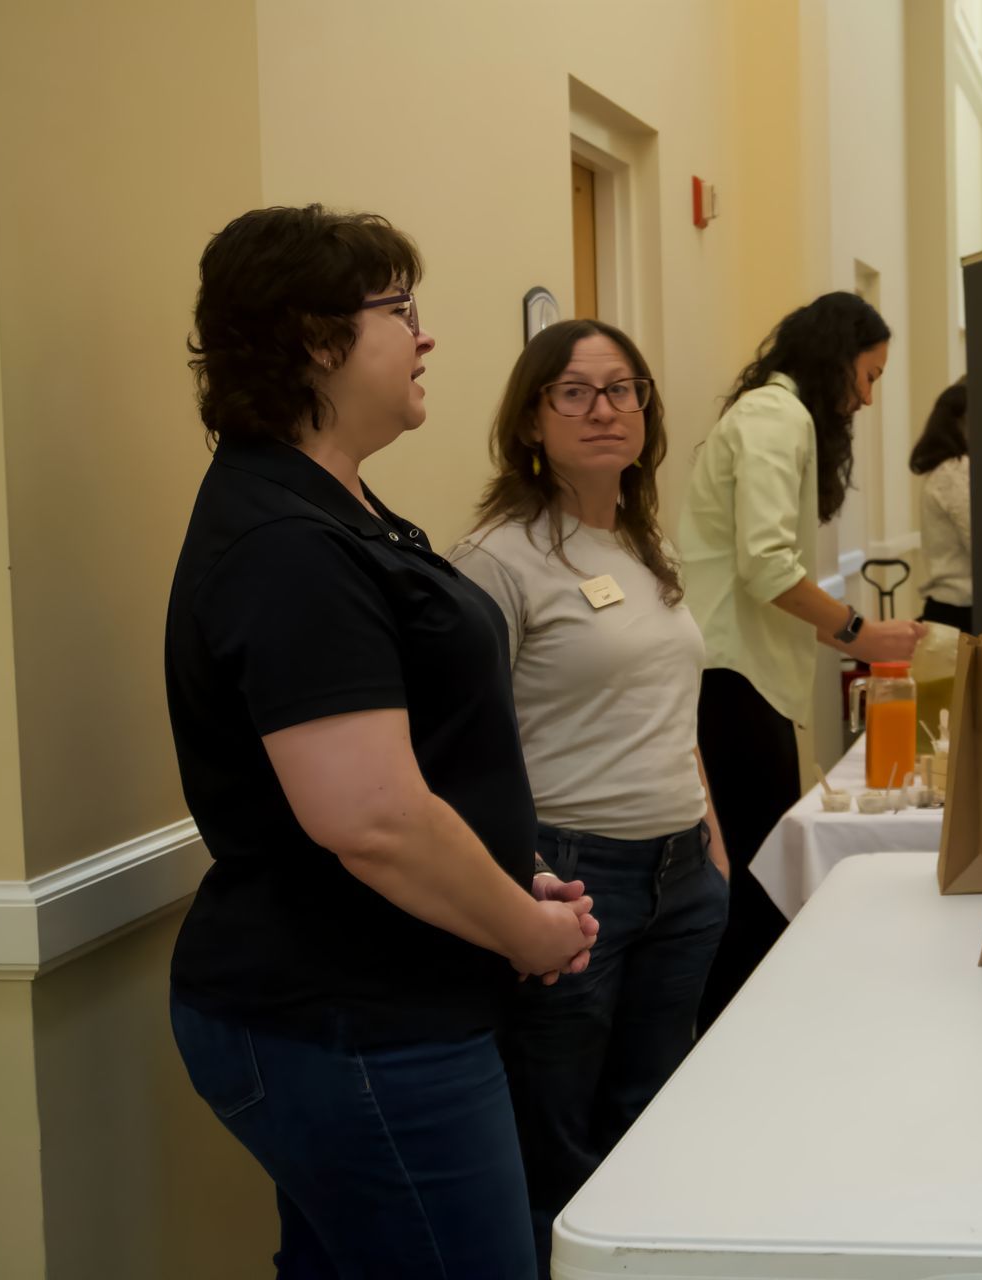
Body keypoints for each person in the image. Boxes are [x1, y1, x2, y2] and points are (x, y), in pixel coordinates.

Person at [164, 205, 597, 1277]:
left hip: (382, 1000)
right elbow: (374, 820)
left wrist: (513, 881)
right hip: (354, 1015)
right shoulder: (286, 545)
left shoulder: (336, 507)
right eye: (400, 310)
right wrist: (524, 932)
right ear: (317, 339)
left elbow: (426, 763)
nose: (425, 335)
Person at [448, 318, 730, 1274]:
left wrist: (712, 841)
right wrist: (518, 881)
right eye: (574, 391)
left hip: (682, 876)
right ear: (532, 419)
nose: (604, 409)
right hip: (572, 882)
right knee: (559, 1151)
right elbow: (459, 747)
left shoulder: (648, 546)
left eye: (623, 389)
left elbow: (670, 709)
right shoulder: (498, 560)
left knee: (651, 1124)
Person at [678, 292, 925, 1028]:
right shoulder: (774, 418)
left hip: (746, 675)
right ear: (837, 358)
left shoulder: (779, 419)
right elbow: (765, 564)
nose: (869, 398)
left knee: (754, 881)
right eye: (870, 376)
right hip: (731, 678)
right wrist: (860, 633)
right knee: (754, 886)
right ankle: (744, 1041)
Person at [910, 378, 972, 630]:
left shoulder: (948, 470)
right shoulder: (954, 472)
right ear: (961, 423)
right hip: (959, 615)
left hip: (955, 612)